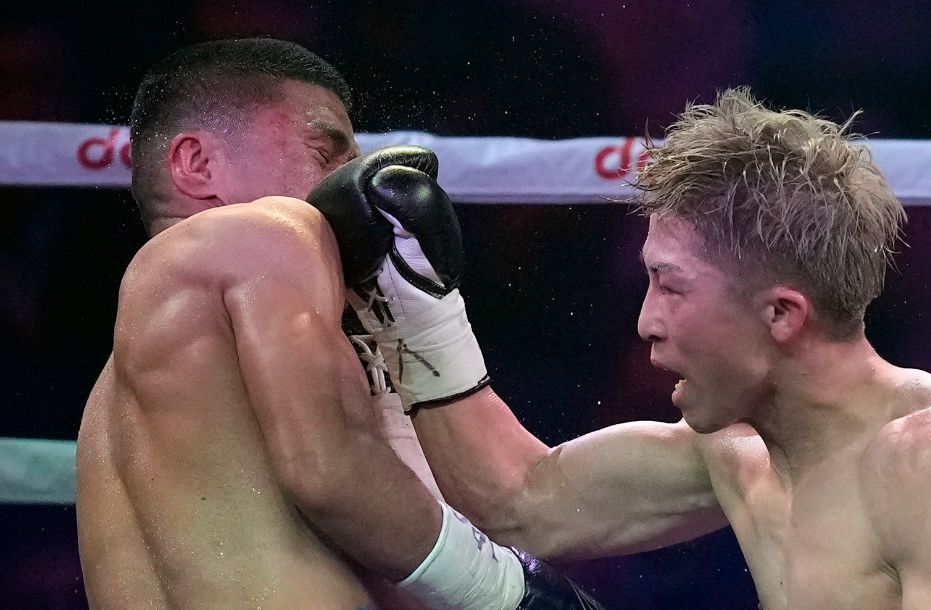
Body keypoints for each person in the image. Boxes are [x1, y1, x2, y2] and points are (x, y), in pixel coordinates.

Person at [346, 87, 931, 608]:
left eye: (671, 286)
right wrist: (419, 308)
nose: (645, 323)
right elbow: (520, 501)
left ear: (781, 314)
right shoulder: (740, 449)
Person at [75, 37, 602, 610]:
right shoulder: (265, 229)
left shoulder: (111, 408)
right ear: (197, 164)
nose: (348, 183)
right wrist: (510, 591)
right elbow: (328, 469)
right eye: (325, 153)